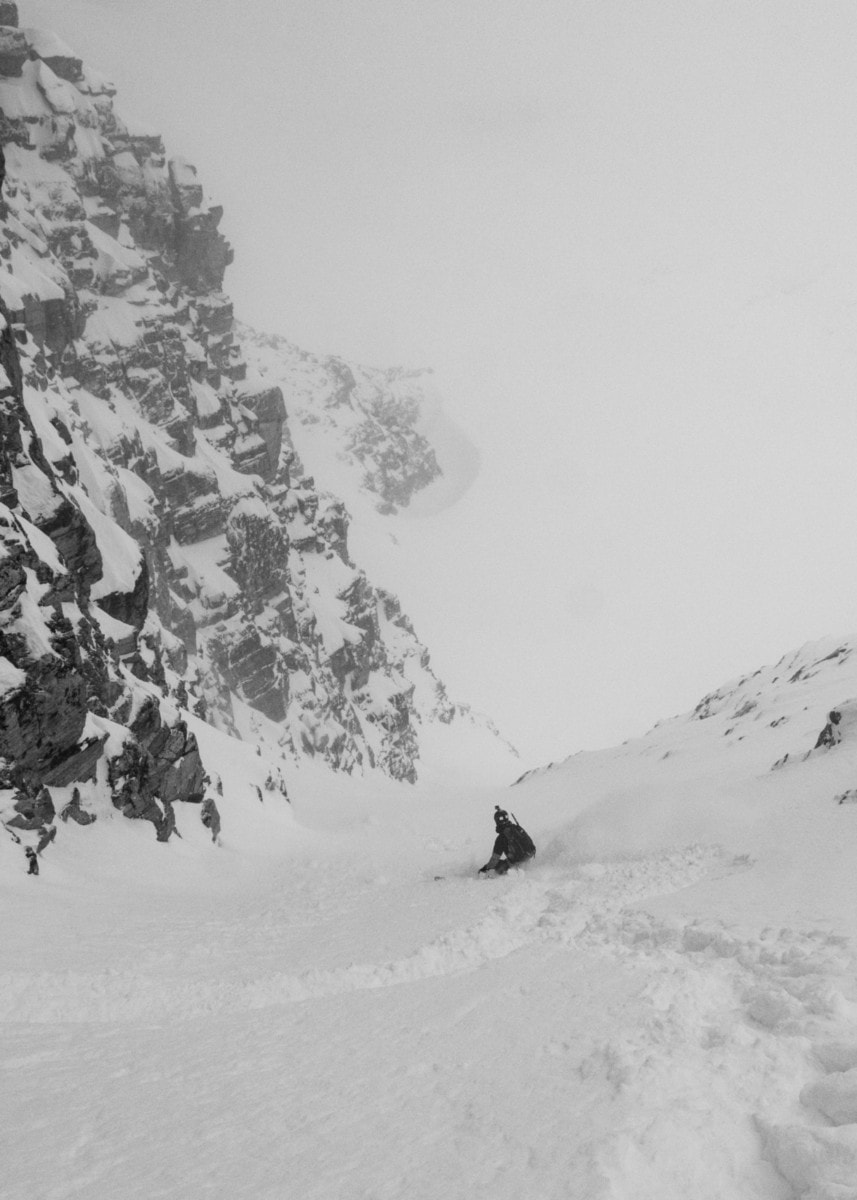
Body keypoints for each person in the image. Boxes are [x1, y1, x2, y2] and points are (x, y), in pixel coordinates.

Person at [479, 807, 535, 875]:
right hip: (528, 858)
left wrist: (486, 869)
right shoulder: (516, 828)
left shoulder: (501, 837)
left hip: (515, 863)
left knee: (494, 866)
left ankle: (482, 876)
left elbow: (494, 859)